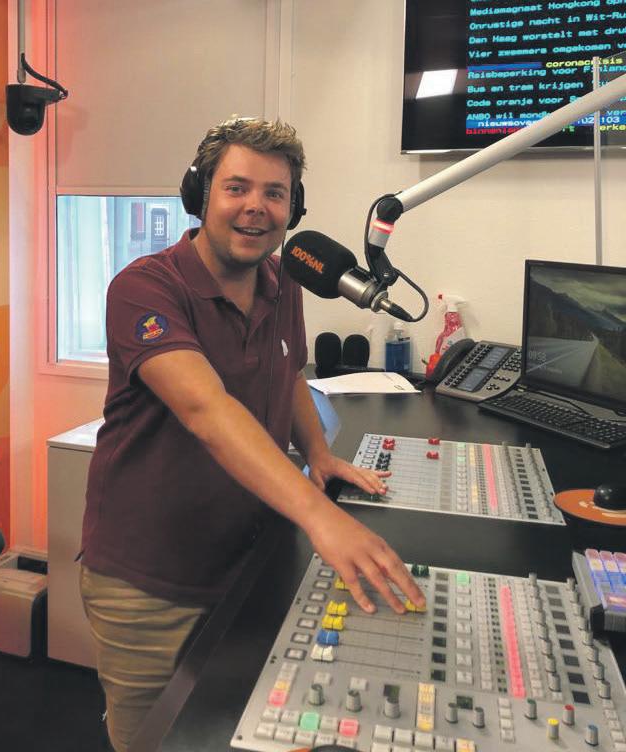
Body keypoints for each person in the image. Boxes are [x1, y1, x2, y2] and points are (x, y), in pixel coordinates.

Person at [79, 116, 426, 752]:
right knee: (158, 742)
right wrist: (320, 517)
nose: (256, 207)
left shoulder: (281, 278)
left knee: (239, 732)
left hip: (248, 562)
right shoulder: (143, 288)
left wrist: (317, 452)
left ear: (294, 207)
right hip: (149, 582)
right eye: (237, 188)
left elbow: (287, 366)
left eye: (275, 193)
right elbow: (206, 409)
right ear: (201, 194)